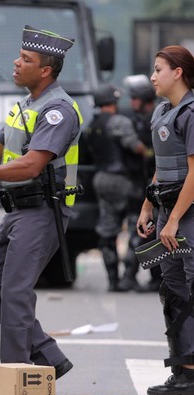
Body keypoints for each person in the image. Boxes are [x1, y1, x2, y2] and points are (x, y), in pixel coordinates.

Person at [0, 25, 78, 376]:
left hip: (44, 209)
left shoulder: (58, 110)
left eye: (25, 59)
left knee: (14, 292)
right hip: (18, 210)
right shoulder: (25, 105)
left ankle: (17, 374)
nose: (15, 63)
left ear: (45, 70)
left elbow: (31, 164)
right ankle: (48, 356)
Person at [136, 45, 194, 395]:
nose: (152, 76)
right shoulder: (162, 112)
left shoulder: (191, 113)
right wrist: (147, 206)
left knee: (192, 288)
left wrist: (173, 221)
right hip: (166, 211)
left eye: (159, 69)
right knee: (172, 290)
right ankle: (184, 371)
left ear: (178, 72)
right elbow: (162, 165)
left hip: (186, 215)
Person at [86, 83, 149, 292]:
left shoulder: (93, 124)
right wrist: (150, 153)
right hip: (124, 181)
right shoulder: (119, 122)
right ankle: (128, 277)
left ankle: (112, 281)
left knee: (107, 230)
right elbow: (136, 147)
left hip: (101, 179)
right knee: (135, 229)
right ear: (113, 102)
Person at [123, 74, 162, 292]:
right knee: (143, 231)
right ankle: (134, 276)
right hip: (139, 183)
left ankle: (153, 277)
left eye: (135, 98)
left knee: (152, 232)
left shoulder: (155, 118)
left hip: (154, 185)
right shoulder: (137, 118)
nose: (131, 102)